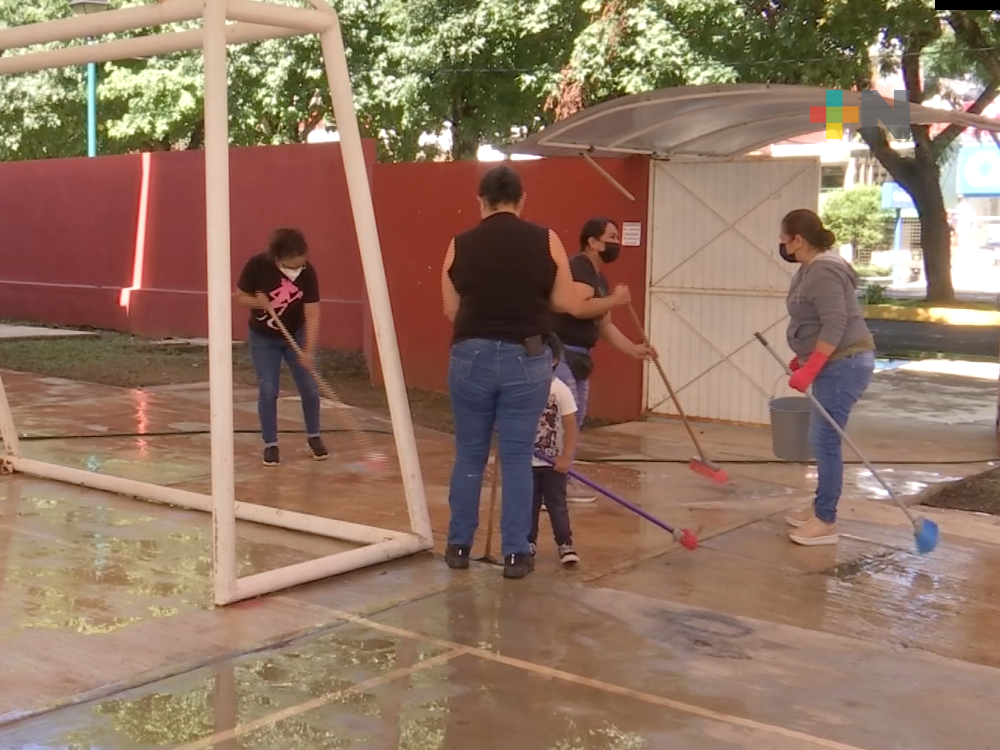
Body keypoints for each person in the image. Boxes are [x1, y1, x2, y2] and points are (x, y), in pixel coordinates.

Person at [440, 165, 631, 579]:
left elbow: (451, 310)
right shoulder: (546, 240)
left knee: (470, 454)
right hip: (525, 358)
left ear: (481, 201)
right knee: (516, 458)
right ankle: (515, 554)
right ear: (522, 201)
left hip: (469, 355)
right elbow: (564, 300)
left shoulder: (458, 245)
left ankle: (458, 546)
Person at [779, 209, 876, 546]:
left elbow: (835, 324)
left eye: (783, 238)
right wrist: (805, 357)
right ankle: (821, 503)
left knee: (825, 441)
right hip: (834, 362)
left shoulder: (823, 271)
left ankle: (826, 521)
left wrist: (811, 367)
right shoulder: (809, 269)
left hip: (845, 364)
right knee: (821, 439)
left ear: (798, 240)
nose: (781, 244)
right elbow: (817, 321)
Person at [551, 217, 656, 502]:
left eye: (617, 237)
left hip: (580, 356)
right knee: (563, 420)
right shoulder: (580, 267)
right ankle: (553, 487)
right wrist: (615, 300)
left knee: (575, 419)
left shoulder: (599, 278)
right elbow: (577, 308)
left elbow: (604, 325)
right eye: (610, 236)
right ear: (593, 242)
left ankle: (561, 481)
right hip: (560, 353)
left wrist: (634, 349)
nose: (616, 242)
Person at [234, 228, 327, 467]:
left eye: (301, 263)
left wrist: (309, 350)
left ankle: (314, 436)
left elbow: (313, 312)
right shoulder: (258, 265)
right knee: (268, 389)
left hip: (295, 333)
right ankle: (270, 444)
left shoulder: (308, 273)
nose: (298, 269)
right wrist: (257, 302)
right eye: (292, 266)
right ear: (278, 258)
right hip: (264, 337)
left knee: (309, 386)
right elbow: (240, 296)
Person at [529, 334, 580, 565]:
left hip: (553, 464)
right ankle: (527, 542)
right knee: (528, 503)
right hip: (526, 462)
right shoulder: (523, 387)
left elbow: (571, 426)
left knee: (556, 503)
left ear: (554, 360)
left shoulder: (560, 390)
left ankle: (565, 543)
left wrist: (566, 457)